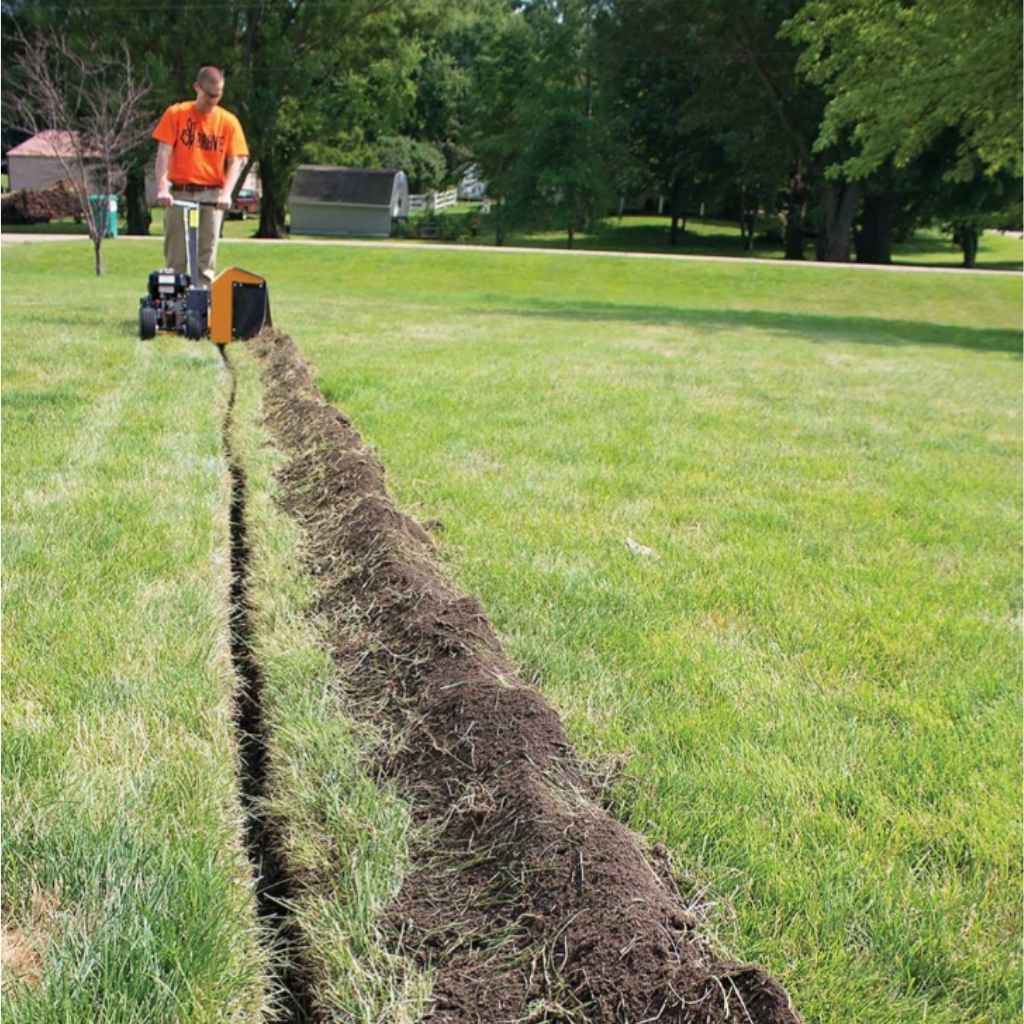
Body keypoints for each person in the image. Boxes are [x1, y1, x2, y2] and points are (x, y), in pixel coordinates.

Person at [152, 66, 248, 285]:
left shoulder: (228, 122)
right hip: (179, 193)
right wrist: (162, 188)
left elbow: (236, 161)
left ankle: (203, 307)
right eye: (209, 95)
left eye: (218, 95)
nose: (214, 100)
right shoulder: (176, 114)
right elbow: (163, 153)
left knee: (206, 259)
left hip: (212, 197)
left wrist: (226, 194)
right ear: (197, 88)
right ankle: (174, 310)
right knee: (176, 259)